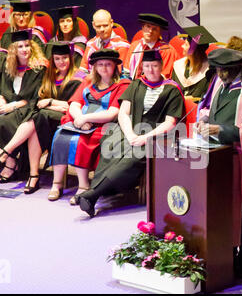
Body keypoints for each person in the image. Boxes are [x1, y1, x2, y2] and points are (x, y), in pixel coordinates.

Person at [78, 49, 184, 217]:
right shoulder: (136, 84)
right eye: (147, 66)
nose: (150, 70)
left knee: (132, 157)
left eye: (155, 66)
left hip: (155, 135)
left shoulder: (172, 89)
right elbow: (123, 113)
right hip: (128, 129)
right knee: (111, 144)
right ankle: (98, 192)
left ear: (162, 66)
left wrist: (144, 137)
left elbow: (170, 122)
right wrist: (130, 134)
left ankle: (92, 194)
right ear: (142, 66)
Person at [196, 48, 242, 278]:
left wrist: (222, 130)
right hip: (219, 156)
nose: (219, 74)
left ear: (236, 68)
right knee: (222, 205)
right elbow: (206, 105)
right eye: (217, 69)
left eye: (223, 70)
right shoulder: (219, 84)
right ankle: (226, 251)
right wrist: (204, 119)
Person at [48, 49, 130, 204]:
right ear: (95, 67)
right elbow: (74, 104)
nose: (104, 68)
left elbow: (113, 112)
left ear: (115, 67)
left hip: (103, 125)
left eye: (108, 64)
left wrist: (87, 118)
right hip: (80, 121)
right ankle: (56, 183)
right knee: (60, 136)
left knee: (82, 141)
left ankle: (83, 186)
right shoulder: (87, 81)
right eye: (100, 64)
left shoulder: (122, 85)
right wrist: (79, 119)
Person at [0, 42, 84, 193]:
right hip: (45, 120)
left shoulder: (78, 78)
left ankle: (7, 151)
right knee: (37, 120)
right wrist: (51, 105)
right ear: (53, 60)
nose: (61, 62)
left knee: (38, 117)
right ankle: (34, 175)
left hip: (66, 121)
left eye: (65, 58)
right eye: (57, 59)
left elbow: (71, 106)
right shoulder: (51, 77)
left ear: (71, 59)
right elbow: (39, 102)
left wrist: (51, 102)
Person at [0, 30, 48, 183]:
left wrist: (12, 106)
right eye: (20, 46)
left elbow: (34, 98)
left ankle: (10, 162)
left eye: (27, 45)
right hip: (10, 107)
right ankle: (10, 161)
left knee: (4, 122)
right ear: (14, 49)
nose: (24, 49)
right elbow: (2, 91)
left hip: (28, 108)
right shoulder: (9, 67)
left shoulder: (38, 69)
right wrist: (2, 102)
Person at [123, 13, 178, 79]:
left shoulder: (166, 50)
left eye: (154, 29)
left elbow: (164, 77)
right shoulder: (134, 46)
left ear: (160, 33)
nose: (150, 31)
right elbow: (126, 73)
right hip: (133, 85)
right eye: (148, 26)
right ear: (142, 28)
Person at [172, 25, 216, 100]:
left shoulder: (209, 70)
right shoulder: (178, 65)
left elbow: (208, 96)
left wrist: (193, 99)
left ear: (193, 50)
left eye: (186, 44)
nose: (182, 46)